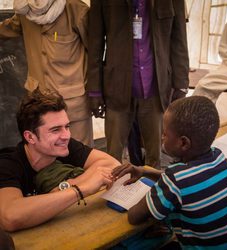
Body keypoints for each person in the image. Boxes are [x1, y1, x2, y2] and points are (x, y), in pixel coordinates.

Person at [112, 96, 227, 249]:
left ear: (183, 142)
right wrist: (144, 171)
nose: (162, 137)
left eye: (165, 133)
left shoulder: (174, 180)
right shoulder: (218, 157)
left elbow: (134, 217)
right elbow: (186, 181)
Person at [0, 88, 120, 232]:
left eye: (67, 127)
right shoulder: (7, 164)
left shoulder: (63, 146)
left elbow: (112, 164)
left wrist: (66, 185)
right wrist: (81, 190)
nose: (66, 135)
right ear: (30, 137)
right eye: (55, 130)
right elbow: (11, 217)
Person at [87, 0, 189, 168]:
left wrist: (181, 83)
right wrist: (94, 90)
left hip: (156, 87)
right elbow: (95, 43)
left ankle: (152, 191)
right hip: (116, 87)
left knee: (154, 155)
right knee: (112, 157)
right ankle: (112, 191)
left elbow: (179, 40)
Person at [0, 0, 93, 146]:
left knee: (80, 158)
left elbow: (95, 52)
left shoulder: (75, 9)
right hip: (38, 102)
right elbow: (8, 28)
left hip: (73, 105)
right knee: (45, 159)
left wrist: (97, 92)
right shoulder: (25, 12)